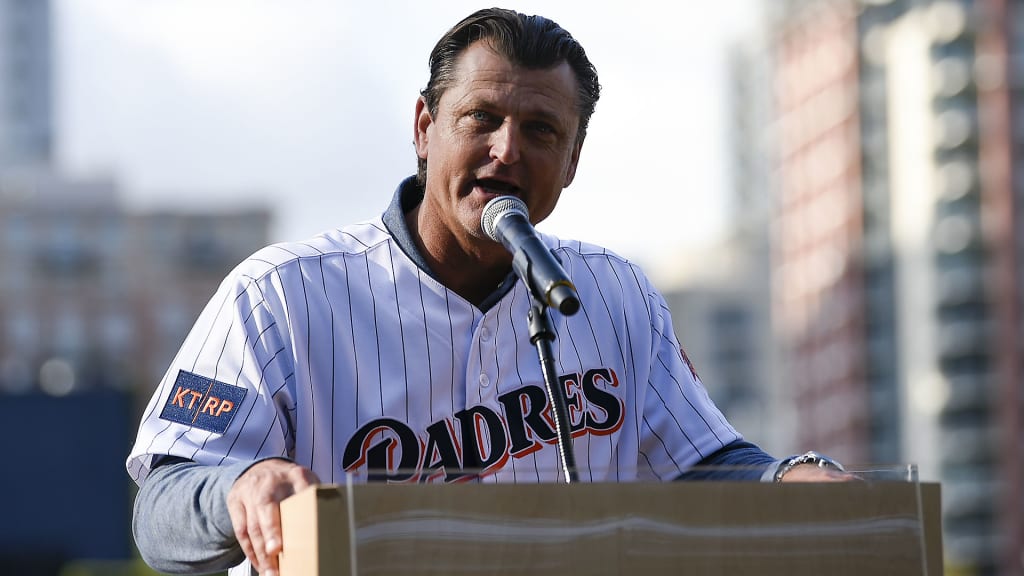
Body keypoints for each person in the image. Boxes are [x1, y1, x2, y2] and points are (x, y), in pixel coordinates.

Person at [126, 8, 848, 576]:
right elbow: (160, 509)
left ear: (571, 161)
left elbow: (702, 466)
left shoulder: (613, 292)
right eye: (482, 119)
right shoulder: (280, 294)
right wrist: (237, 490)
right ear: (424, 127)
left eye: (541, 130)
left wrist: (790, 479)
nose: (508, 150)